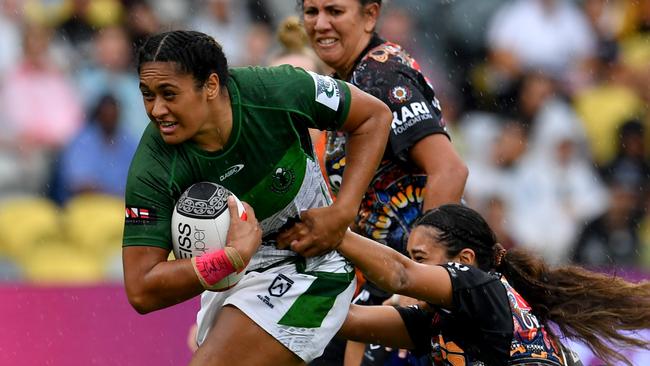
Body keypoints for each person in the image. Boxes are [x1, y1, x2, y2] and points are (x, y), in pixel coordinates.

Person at [122, 30, 392, 366]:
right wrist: (231, 258)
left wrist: (342, 214)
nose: (156, 109)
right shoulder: (153, 168)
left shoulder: (277, 89)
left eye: (169, 94)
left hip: (315, 267)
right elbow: (141, 289)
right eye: (147, 95)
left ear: (210, 86)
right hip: (234, 278)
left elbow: (374, 116)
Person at [294, 0, 468, 364]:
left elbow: (449, 170)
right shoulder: (347, 80)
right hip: (376, 278)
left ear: (370, 14)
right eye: (311, 12)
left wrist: (421, 280)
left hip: (406, 288)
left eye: (334, 11)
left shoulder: (380, 74)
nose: (321, 24)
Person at [335, 204, 650, 366]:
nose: (416, 269)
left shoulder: (485, 289)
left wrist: (333, 231)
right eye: (411, 258)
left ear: (465, 260)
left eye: (420, 257)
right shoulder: (441, 320)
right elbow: (346, 321)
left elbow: (401, 275)